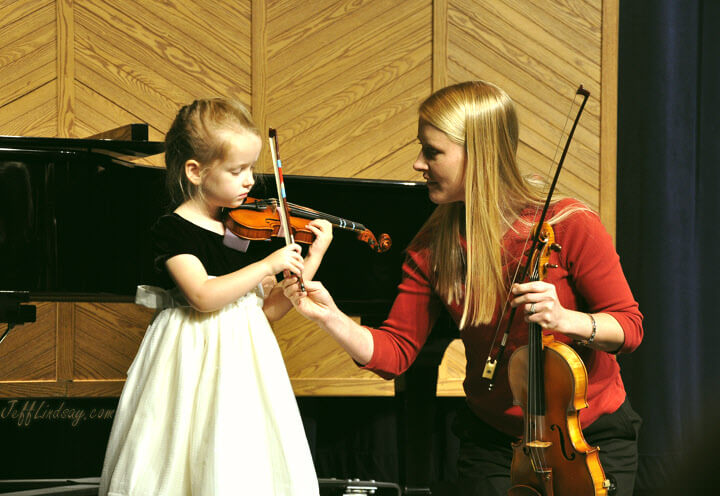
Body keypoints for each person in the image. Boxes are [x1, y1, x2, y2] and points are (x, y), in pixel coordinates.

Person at [282, 81, 643, 495]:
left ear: (480, 153)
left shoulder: (570, 225)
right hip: (495, 443)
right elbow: (395, 354)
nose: (418, 164)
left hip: (588, 437)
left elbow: (629, 329)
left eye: (432, 151)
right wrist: (331, 317)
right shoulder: (432, 247)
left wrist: (567, 319)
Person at [99, 98, 330, 496]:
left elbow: (268, 309)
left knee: (240, 452)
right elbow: (203, 296)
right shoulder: (174, 230)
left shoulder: (240, 229)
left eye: (251, 169)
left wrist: (311, 258)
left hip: (245, 358)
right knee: (182, 451)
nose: (249, 182)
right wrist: (266, 266)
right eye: (237, 170)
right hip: (190, 354)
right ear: (195, 171)